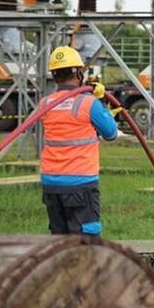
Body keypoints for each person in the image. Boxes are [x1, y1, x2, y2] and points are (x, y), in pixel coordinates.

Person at [39, 46, 118, 235]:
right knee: (85, 241)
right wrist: (100, 100)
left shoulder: (45, 104)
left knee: (60, 241)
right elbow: (111, 133)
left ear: (54, 75)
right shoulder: (88, 103)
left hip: (51, 183)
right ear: (79, 73)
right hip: (80, 183)